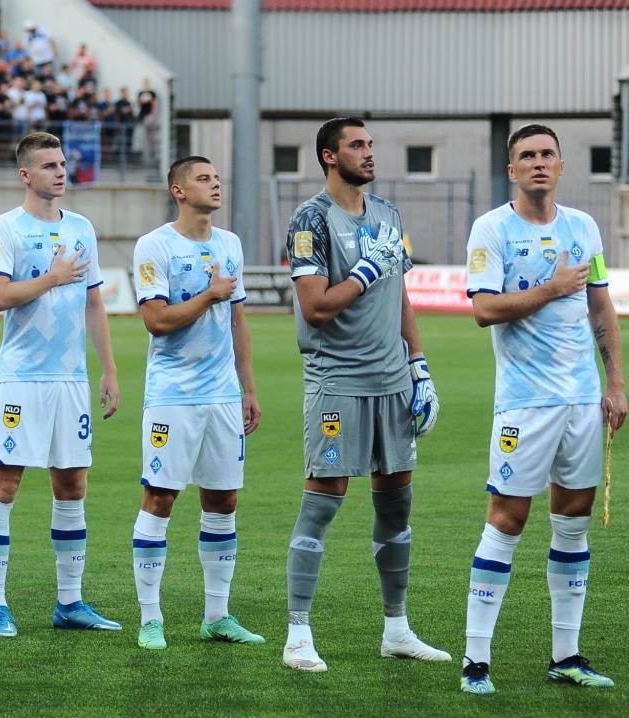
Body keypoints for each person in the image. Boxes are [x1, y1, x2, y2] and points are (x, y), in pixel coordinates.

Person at [459, 124, 626, 695]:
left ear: (560, 165)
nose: (537, 163)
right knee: (506, 521)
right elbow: (483, 308)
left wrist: (616, 384)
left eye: (546, 154)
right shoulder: (492, 229)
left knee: (574, 525)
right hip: (524, 405)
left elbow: (601, 305)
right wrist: (552, 290)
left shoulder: (584, 227)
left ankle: (567, 655)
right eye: (526, 156)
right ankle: (476, 660)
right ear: (512, 170)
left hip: (582, 399)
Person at [280, 117, 448, 672]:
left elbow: (399, 296)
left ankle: (396, 628)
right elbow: (315, 306)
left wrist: (419, 364)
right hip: (338, 381)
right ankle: (298, 634)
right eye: (357, 145)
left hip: (392, 381)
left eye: (371, 144)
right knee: (322, 500)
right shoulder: (310, 219)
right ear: (330, 156)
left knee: (397, 502)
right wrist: (366, 270)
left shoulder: (389, 216)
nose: (369, 153)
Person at [0, 132, 120, 638]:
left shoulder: (82, 228)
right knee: (5, 481)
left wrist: (109, 369)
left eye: (63, 163)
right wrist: (51, 278)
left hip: (71, 381)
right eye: (50, 165)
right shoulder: (5, 227)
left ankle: (70, 602)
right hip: (22, 378)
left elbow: (95, 303)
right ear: (25, 175)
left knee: (72, 484)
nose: (61, 172)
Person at [130, 156, 262, 650]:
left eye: (217, 177)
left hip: (223, 396)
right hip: (173, 396)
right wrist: (209, 295)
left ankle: (217, 615)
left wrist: (247, 389)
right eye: (204, 178)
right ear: (178, 190)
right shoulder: (155, 246)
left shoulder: (230, 244)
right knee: (160, 497)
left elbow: (238, 321)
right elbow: (157, 321)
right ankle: (150, 618)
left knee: (223, 501)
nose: (215, 183)